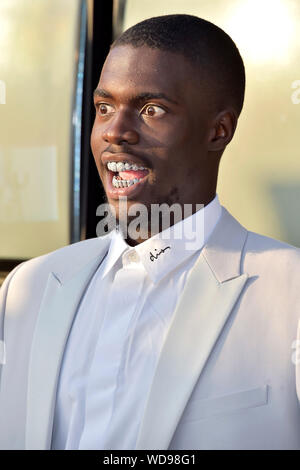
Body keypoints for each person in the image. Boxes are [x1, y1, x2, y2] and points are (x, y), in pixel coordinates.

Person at [0, 14, 300, 451]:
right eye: (104, 108)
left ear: (219, 130)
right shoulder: (28, 287)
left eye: (150, 110)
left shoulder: (289, 292)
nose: (114, 133)